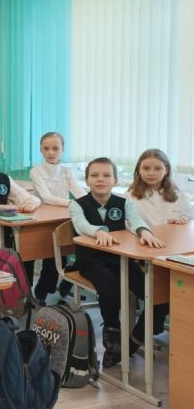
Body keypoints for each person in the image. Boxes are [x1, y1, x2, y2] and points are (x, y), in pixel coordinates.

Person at [69, 157, 168, 369]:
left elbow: (135, 220)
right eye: (94, 175)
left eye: (106, 175)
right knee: (111, 290)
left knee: (157, 295)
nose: (100, 179)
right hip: (91, 260)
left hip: (120, 259)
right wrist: (98, 231)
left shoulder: (125, 202)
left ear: (115, 180)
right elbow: (80, 224)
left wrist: (144, 232)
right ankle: (113, 338)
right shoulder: (77, 204)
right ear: (86, 180)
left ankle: (132, 343)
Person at [27, 132, 86, 302]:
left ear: (62, 149)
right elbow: (47, 198)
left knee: (67, 253)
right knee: (49, 254)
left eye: (55, 148)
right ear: (41, 150)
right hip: (43, 218)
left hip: (63, 217)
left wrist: (90, 204)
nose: (51, 152)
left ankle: (65, 283)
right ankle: (41, 290)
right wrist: (73, 204)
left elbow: (79, 192)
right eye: (46, 148)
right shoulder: (36, 171)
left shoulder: (67, 170)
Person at [126, 148, 192, 228]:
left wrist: (180, 222)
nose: (151, 173)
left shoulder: (179, 196)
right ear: (139, 170)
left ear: (166, 170)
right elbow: (127, 225)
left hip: (172, 235)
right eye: (146, 168)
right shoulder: (129, 197)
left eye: (158, 169)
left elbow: (189, 220)